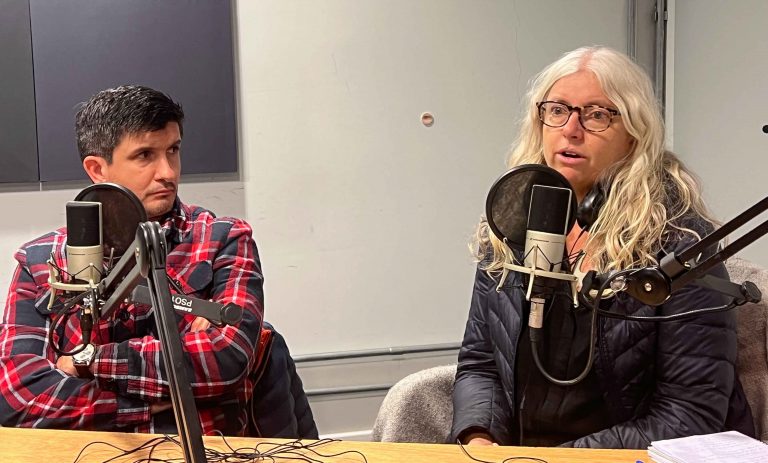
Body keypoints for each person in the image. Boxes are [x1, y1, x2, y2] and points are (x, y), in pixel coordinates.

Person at [451, 46, 755, 449]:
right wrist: (479, 437)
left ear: (634, 134)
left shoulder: (679, 244)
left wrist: (557, 460)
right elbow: (480, 363)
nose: (571, 130)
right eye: (557, 110)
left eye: (596, 115)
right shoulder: (512, 224)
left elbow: (690, 414)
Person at [0, 85, 315, 437]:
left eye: (173, 150)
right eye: (145, 155)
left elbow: (226, 358)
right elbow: (18, 396)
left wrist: (87, 361)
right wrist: (145, 404)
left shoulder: (223, 239)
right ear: (97, 168)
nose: (167, 172)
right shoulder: (40, 262)